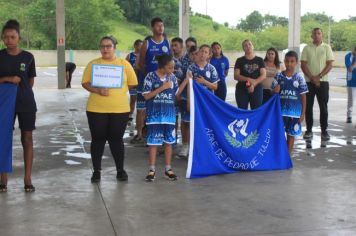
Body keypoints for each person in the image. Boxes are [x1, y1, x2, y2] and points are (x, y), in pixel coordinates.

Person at [82, 36, 138, 183]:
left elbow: (133, 83)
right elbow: (85, 83)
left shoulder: (124, 64)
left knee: (116, 140)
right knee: (98, 140)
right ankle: (96, 171)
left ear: (114, 48)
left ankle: (120, 170)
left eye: (108, 46)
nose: (105, 49)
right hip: (96, 108)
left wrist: (118, 89)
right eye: (102, 46)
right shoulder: (93, 64)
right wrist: (97, 90)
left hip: (119, 109)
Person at [0, 20, 37, 192]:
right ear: (2, 38)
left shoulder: (28, 57)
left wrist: (22, 92)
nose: (9, 40)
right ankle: (3, 179)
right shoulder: (0, 56)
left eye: (12, 37)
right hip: (4, 103)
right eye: (6, 37)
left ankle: (27, 178)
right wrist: (7, 80)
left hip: (25, 103)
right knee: (3, 138)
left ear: (19, 38)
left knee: (27, 139)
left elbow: (30, 81)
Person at [133, 17, 170, 144]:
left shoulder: (166, 43)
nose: (161, 28)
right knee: (141, 109)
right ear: (152, 28)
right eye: (158, 25)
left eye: (162, 25)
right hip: (147, 82)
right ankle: (139, 133)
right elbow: (141, 64)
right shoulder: (147, 43)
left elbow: (169, 63)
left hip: (162, 83)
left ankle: (156, 135)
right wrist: (150, 78)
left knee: (158, 109)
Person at [142, 54, 178, 182]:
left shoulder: (173, 78)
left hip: (169, 116)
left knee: (169, 143)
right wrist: (162, 87)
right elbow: (146, 96)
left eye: (173, 67)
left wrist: (186, 81)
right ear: (162, 67)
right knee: (153, 143)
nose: (172, 70)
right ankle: (152, 170)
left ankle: (168, 169)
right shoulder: (150, 77)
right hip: (154, 116)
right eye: (170, 67)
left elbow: (176, 95)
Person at [301, 28, 334, 141]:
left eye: (319, 33)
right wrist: (312, 78)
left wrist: (318, 77)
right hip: (309, 82)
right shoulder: (306, 48)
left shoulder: (327, 47)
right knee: (308, 107)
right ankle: (309, 130)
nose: (316, 35)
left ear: (322, 35)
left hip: (323, 82)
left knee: (323, 108)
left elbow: (329, 64)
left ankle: (324, 131)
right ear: (311, 36)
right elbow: (303, 65)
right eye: (314, 33)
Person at [272, 51, 308, 154]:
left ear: (296, 62)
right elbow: (272, 93)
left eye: (292, 61)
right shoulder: (278, 76)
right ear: (284, 62)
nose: (289, 64)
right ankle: (281, 155)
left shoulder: (299, 78)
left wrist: (303, 113)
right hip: (280, 112)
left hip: (294, 113)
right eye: (287, 61)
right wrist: (274, 91)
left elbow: (303, 97)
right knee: (279, 134)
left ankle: (288, 156)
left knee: (291, 135)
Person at [176, 46, 199, 158]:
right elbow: (179, 80)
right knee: (185, 122)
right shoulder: (183, 64)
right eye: (192, 54)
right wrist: (178, 94)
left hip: (199, 99)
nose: (195, 56)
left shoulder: (204, 66)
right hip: (185, 97)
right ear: (189, 55)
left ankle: (195, 146)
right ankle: (185, 145)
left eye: (197, 53)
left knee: (196, 123)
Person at [234, 39, 266, 109]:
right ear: (243, 49)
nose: (248, 46)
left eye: (249, 44)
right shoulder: (239, 60)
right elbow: (236, 76)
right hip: (241, 89)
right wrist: (248, 79)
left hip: (257, 88)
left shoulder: (260, 60)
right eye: (245, 45)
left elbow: (263, 75)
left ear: (253, 46)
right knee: (242, 111)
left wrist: (254, 83)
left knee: (256, 111)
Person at [125, 39, 143, 125]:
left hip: (141, 81)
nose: (141, 47)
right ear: (135, 46)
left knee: (141, 101)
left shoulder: (144, 56)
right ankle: (130, 114)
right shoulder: (130, 56)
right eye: (140, 45)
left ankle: (141, 119)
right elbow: (124, 67)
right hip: (132, 82)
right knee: (133, 99)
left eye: (142, 45)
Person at [345, 46, 356, 123]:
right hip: (351, 81)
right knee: (351, 100)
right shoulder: (348, 56)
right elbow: (350, 69)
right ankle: (349, 116)